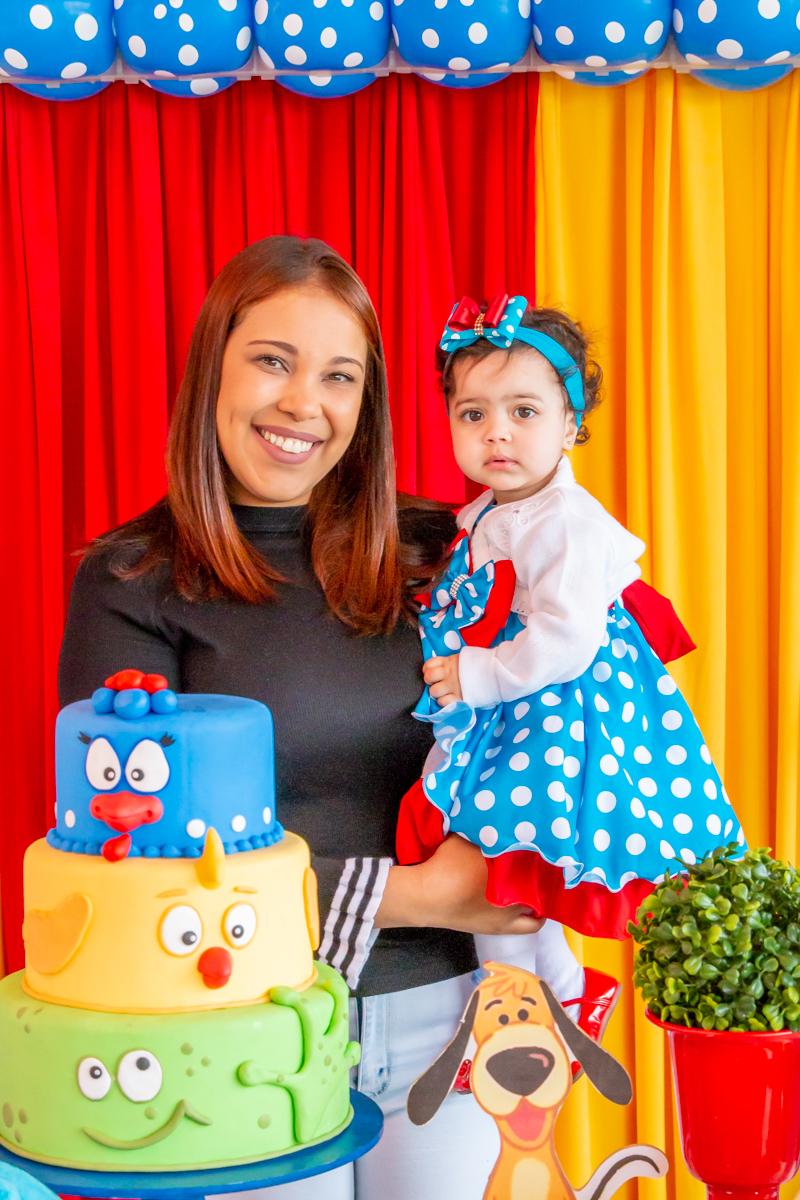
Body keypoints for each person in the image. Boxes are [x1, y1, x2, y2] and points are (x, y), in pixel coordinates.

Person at [58, 239, 590, 1200]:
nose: (305, 403)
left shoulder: (447, 550)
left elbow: (556, 717)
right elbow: (133, 862)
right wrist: (416, 896)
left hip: (454, 1025)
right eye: (273, 360)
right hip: (239, 1026)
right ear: (213, 368)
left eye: (339, 375)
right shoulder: (132, 581)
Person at [397, 294, 746, 941]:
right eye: (473, 414)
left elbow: (567, 635)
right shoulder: (487, 512)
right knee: (511, 858)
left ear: (569, 425)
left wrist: (481, 675)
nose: (496, 432)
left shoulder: (565, 522)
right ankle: (525, 986)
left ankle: (546, 986)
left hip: (567, 706)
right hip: (523, 698)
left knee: (537, 846)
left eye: (523, 412)